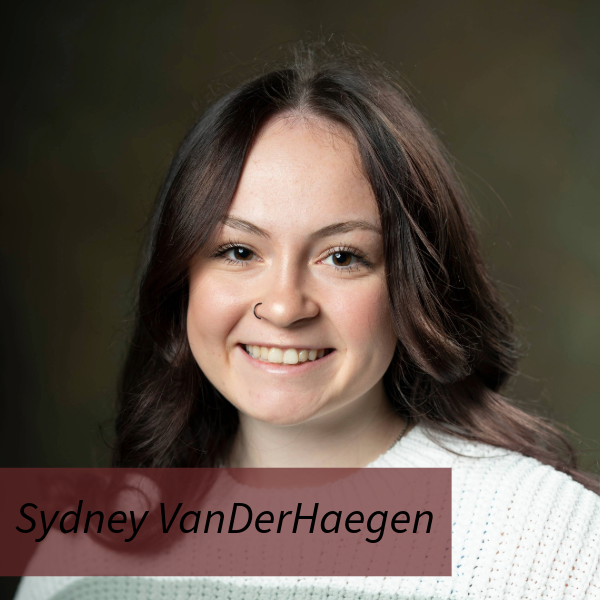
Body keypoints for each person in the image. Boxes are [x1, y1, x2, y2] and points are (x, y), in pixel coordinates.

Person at [15, 42, 600, 599]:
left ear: (411, 286)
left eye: (342, 257)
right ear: (181, 278)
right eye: (239, 252)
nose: (285, 306)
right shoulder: (79, 551)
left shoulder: (549, 544)